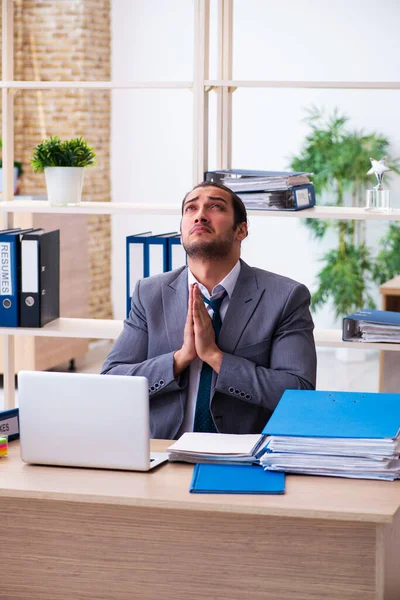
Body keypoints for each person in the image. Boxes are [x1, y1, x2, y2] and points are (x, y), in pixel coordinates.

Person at [101, 181, 317, 438]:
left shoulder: (285, 297)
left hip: (242, 457)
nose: (200, 215)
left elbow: (298, 392)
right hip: (161, 452)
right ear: (181, 232)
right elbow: (111, 381)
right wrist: (180, 358)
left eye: (215, 206)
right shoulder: (149, 293)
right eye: (191, 208)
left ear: (242, 230)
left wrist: (216, 357)